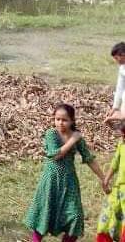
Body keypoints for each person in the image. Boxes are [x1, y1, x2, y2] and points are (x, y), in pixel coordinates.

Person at [24, 103, 107, 242]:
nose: (60, 123)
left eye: (64, 120)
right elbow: (55, 155)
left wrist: (103, 178)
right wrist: (73, 139)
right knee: (44, 214)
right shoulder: (51, 134)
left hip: (69, 182)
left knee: (75, 216)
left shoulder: (77, 137)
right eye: (57, 119)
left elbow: (89, 158)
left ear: (72, 121)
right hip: (50, 181)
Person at [96, 125, 125, 242]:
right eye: (123, 135)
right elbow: (116, 161)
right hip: (119, 189)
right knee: (108, 216)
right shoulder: (122, 143)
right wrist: (106, 179)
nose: (122, 137)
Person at [104, 42, 125, 126]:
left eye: (117, 58)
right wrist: (115, 107)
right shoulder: (122, 68)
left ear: (123, 55)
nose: (116, 61)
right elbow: (120, 87)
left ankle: (119, 116)